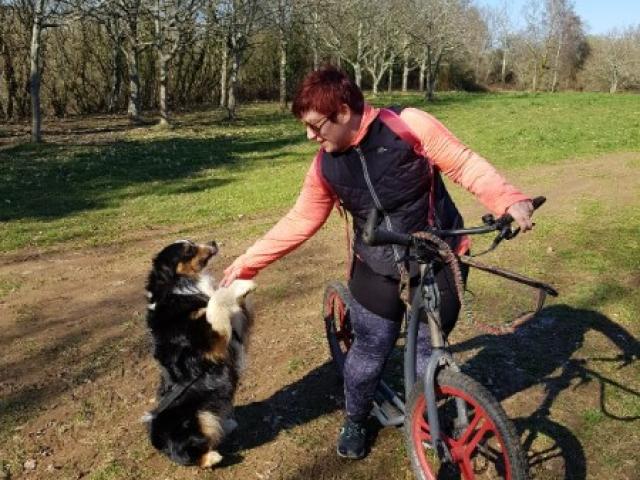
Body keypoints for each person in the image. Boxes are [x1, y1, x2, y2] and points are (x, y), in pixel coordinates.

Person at [220, 66, 533, 459]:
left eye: (317, 127)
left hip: (437, 257)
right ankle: (355, 417)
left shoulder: (408, 125)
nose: (310, 136)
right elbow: (300, 219)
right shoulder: (325, 166)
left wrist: (506, 199)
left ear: (345, 112)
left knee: (426, 353)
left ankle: (427, 417)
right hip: (376, 265)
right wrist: (250, 262)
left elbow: (464, 163)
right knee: (369, 353)